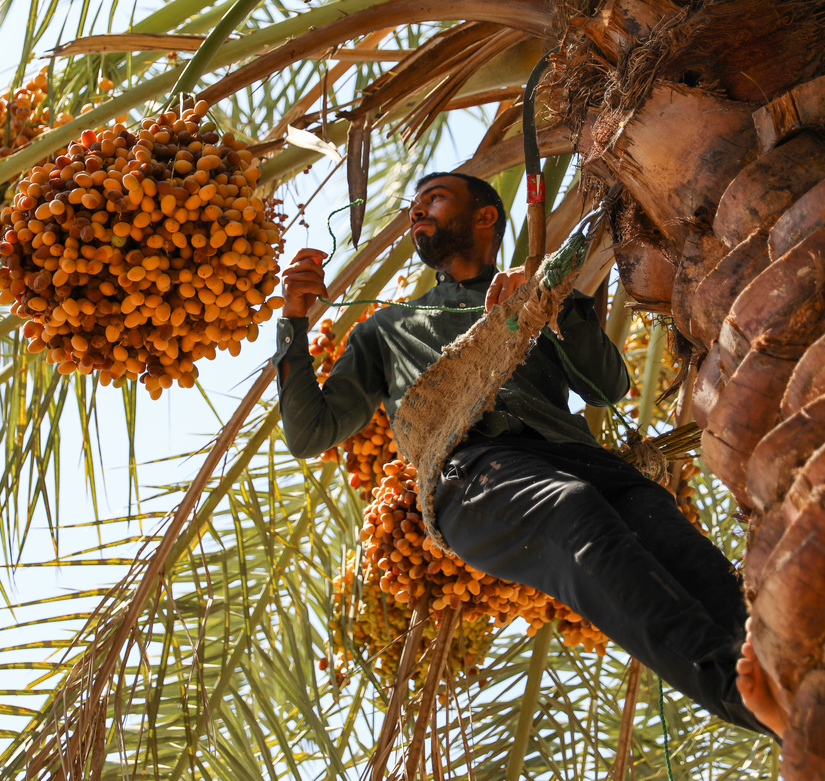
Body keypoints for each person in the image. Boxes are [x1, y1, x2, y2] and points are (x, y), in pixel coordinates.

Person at [273, 171, 778, 737]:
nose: (417, 213)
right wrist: (293, 320)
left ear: (485, 216)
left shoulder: (536, 294)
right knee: (573, 512)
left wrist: (551, 297)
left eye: (433, 200)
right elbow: (309, 432)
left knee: (685, 552)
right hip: (475, 472)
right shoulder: (388, 330)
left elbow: (607, 386)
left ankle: (789, 682)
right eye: (413, 206)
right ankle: (738, 693)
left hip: (582, 458)